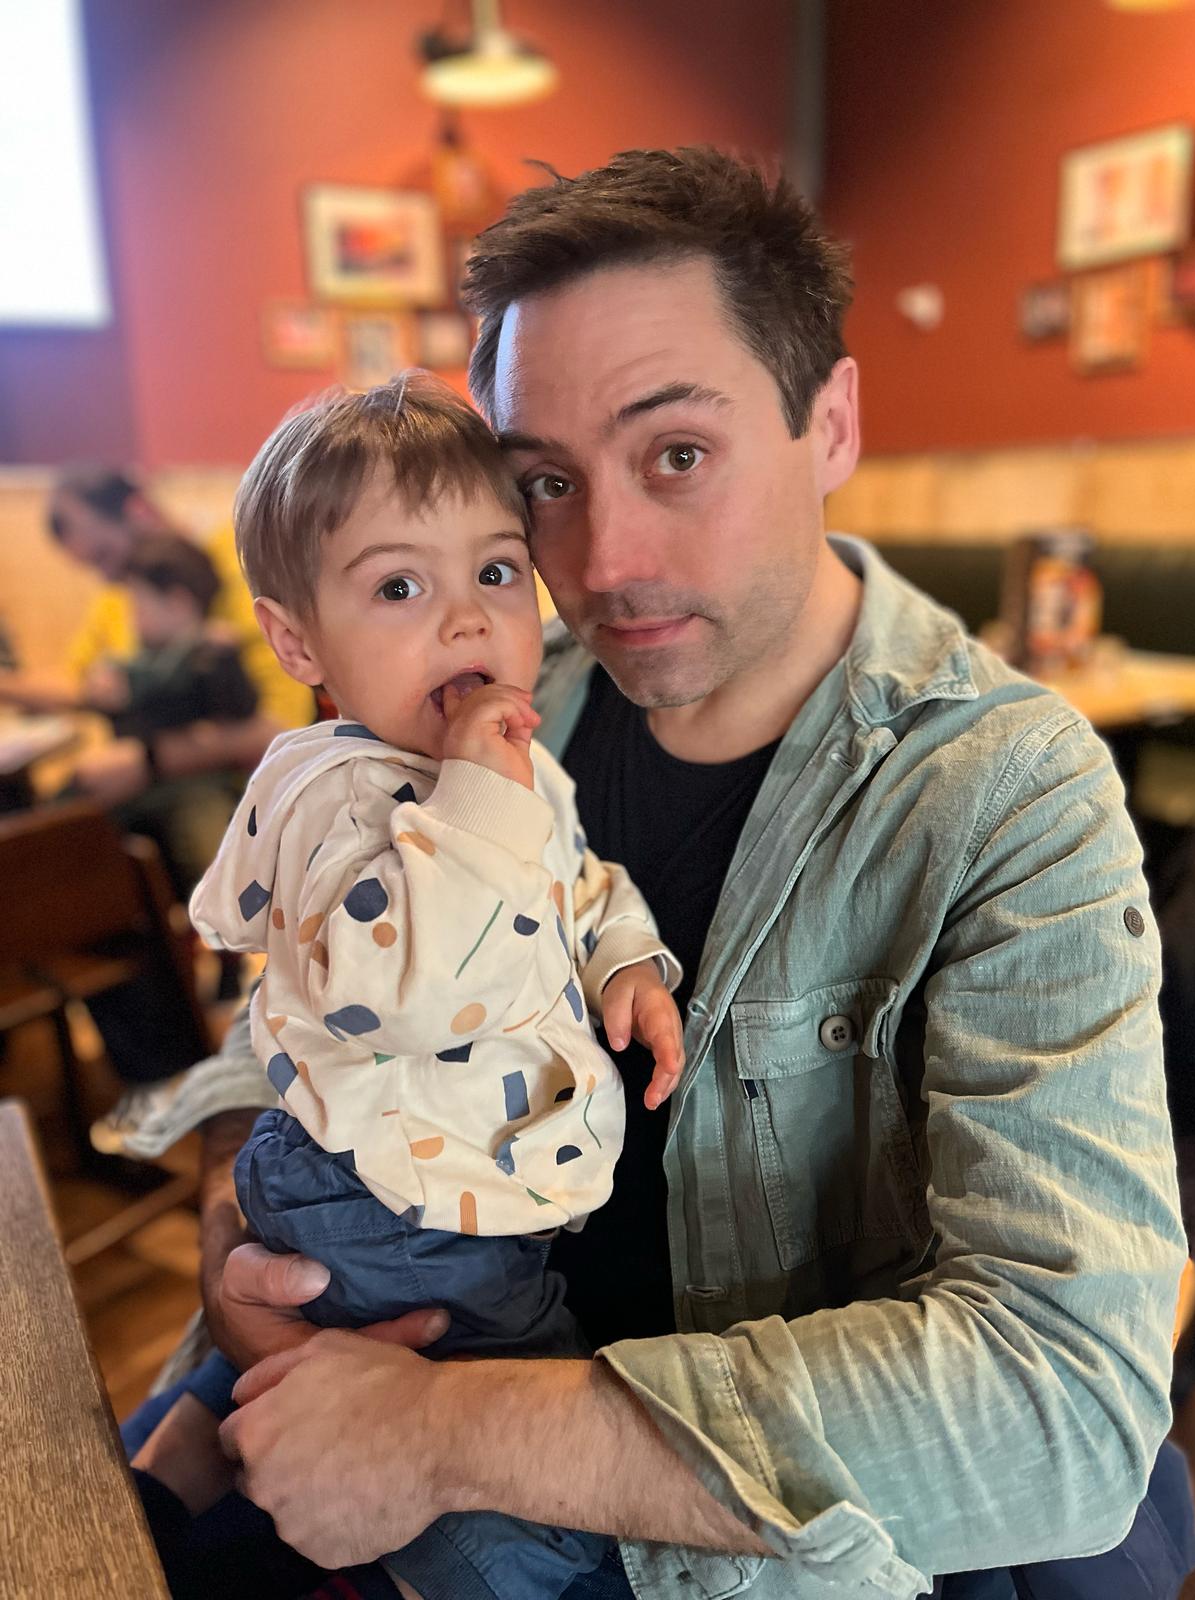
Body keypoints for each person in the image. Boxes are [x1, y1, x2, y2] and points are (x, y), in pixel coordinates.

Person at [125, 148, 1189, 1600]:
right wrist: (238, 1256)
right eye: (545, 484)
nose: (604, 557)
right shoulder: (497, 701)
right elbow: (292, 1007)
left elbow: (1063, 1408)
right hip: (381, 1347)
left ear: (831, 423)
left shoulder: (1008, 792)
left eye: (677, 453)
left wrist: (445, 1435)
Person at [135, 374, 685, 1600]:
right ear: (298, 644)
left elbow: (577, 880)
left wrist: (625, 956)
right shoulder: (332, 800)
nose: (467, 618)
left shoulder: (501, 767)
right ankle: (464, 1568)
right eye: (398, 587)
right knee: (487, 1402)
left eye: (496, 571)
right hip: (384, 1195)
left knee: (407, 1376)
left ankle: (189, 1489)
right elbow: (403, 993)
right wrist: (481, 796)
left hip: (451, 1182)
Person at [0, 466, 314, 808]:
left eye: (104, 554)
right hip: (144, 782)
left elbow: (282, 728)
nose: (108, 578)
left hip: (240, 792)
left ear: (139, 511)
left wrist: (149, 760)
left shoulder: (241, 561)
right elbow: (77, 679)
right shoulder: (120, 590)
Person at [79, 533, 259, 900]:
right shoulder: (146, 660)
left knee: (209, 847)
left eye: (139, 606)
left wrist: (223, 658)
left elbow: (241, 707)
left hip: (198, 784)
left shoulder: (202, 654)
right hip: (144, 787)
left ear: (177, 603)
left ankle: (232, 914)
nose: (133, 619)